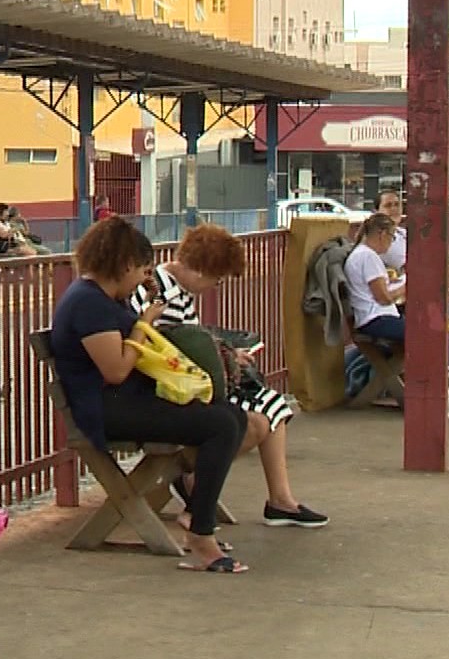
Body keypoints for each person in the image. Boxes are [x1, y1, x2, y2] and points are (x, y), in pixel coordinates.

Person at [50, 216, 248, 573]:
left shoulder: (104, 298)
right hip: (108, 409)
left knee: (231, 416)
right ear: (124, 264)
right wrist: (143, 327)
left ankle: (198, 516)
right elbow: (116, 370)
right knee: (220, 424)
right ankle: (201, 535)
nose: (145, 278)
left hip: (127, 400)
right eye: (142, 270)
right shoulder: (89, 304)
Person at [132, 224, 328, 528]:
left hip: (185, 382)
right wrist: (224, 357)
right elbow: (171, 348)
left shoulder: (174, 287)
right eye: (217, 279)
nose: (215, 286)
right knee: (256, 418)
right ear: (200, 271)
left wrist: (226, 355)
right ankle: (199, 492)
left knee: (272, 406)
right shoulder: (163, 295)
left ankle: (279, 499)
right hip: (174, 389)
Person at [345, 213, 449, 411]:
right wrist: (409, 285)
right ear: (382, 234)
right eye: (392, 238)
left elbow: (379, 288)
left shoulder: (363, 255)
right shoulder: (368, 256)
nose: (391, 244)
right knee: (432, 333)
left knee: (435, 330)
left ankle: (429, 385)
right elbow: (384, 297)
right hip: (377, 319)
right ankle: (427, 389)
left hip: (376, 316)